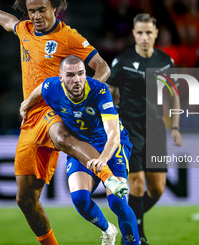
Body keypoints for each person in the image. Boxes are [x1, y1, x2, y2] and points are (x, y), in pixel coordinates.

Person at [0, 0, 127, 244]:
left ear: (55, 7)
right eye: (31, 11)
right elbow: (8, 21)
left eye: (41, 9)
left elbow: (102, 67)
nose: (35, 16)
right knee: (25, 199)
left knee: (60, 134)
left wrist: (85, 98)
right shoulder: (25, 29)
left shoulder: (68, 36)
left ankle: (108, 176)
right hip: (30, 122)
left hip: (54, 111)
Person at [20, 55, 139, 245]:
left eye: (81, 73)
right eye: (70, 75)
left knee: (117, 202)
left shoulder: (99, 92)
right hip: (82, 146)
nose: (77, 80)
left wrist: (102, 159)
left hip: (111, 146)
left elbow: (113, 135)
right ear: (61, 78)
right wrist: (27, 103)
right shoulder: (53, 87)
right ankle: (108, 230)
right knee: (80, 200)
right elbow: (41, 89)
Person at [106, 13, 182, 244]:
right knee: (136, 183)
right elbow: (107, 92)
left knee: (157, 189)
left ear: (156, 33)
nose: (144, 37)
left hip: (156, 129)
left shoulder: (166, 61)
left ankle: (130, 219)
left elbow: (175, 96)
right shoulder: (123, 60)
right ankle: (137, 236)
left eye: (149, 32)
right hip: (129, 128)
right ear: (133, 33)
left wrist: (176, 127)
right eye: (140, 32)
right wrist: (108, 122)